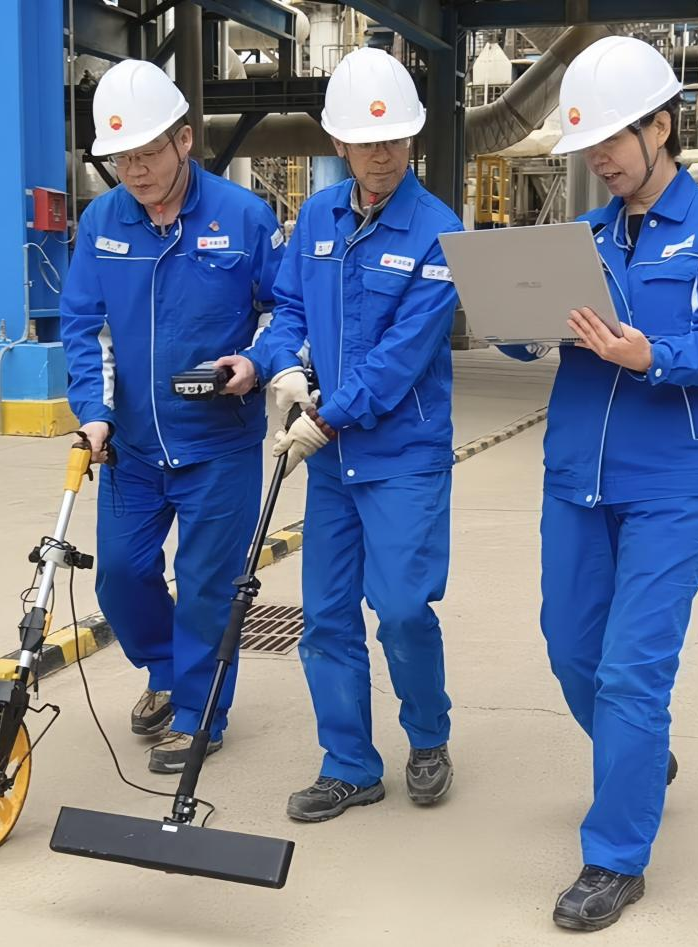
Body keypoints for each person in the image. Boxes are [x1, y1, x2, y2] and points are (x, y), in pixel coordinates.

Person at [502, 36, 698, 931]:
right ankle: (642, 754)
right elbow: (524, 336)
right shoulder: (582, 238)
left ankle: (615, 855)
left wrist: (652, 355)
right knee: (571, 651)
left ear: (662, 125)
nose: (601, 158)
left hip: (672, 483)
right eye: (590, 145)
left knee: (629, 671)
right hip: (577, 476)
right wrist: (517, 319)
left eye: (614, 137)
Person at [217, 47, 464, 823]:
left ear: (412, 138)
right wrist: (282, 365)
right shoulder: (318, 217)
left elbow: (402, 355)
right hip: (332, 462)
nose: (380, 154)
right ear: (338, 145)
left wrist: (325, 417)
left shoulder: (440, 231)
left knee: (401, 608)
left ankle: (428, 735)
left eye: (392, 139)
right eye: (364, 141)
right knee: (325, 616)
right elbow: (289, 307)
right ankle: (349, 764)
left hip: (402, 456)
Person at [59, 59, 284, 774]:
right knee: (119, 576)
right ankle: (163, 667)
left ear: (184, 140)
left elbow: (285, 312)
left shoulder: (244, 217)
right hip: (130, 446)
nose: (135, 170)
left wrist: (256, 362)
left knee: (209, 586)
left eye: (148, 153)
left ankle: (196, 713)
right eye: (121, 158)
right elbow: (84, 327)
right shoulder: (103, 221)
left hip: (218, 444)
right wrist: (94, 413)